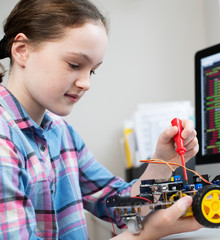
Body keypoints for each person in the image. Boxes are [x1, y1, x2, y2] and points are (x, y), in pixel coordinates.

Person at [0, 0, 201, 239]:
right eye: (74, 64)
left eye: (92, 70)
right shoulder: (4, 140)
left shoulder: (62, 133)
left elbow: (118, 205)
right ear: (22, 50)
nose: (86, 83)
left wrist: (161, 163)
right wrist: (143, 235)